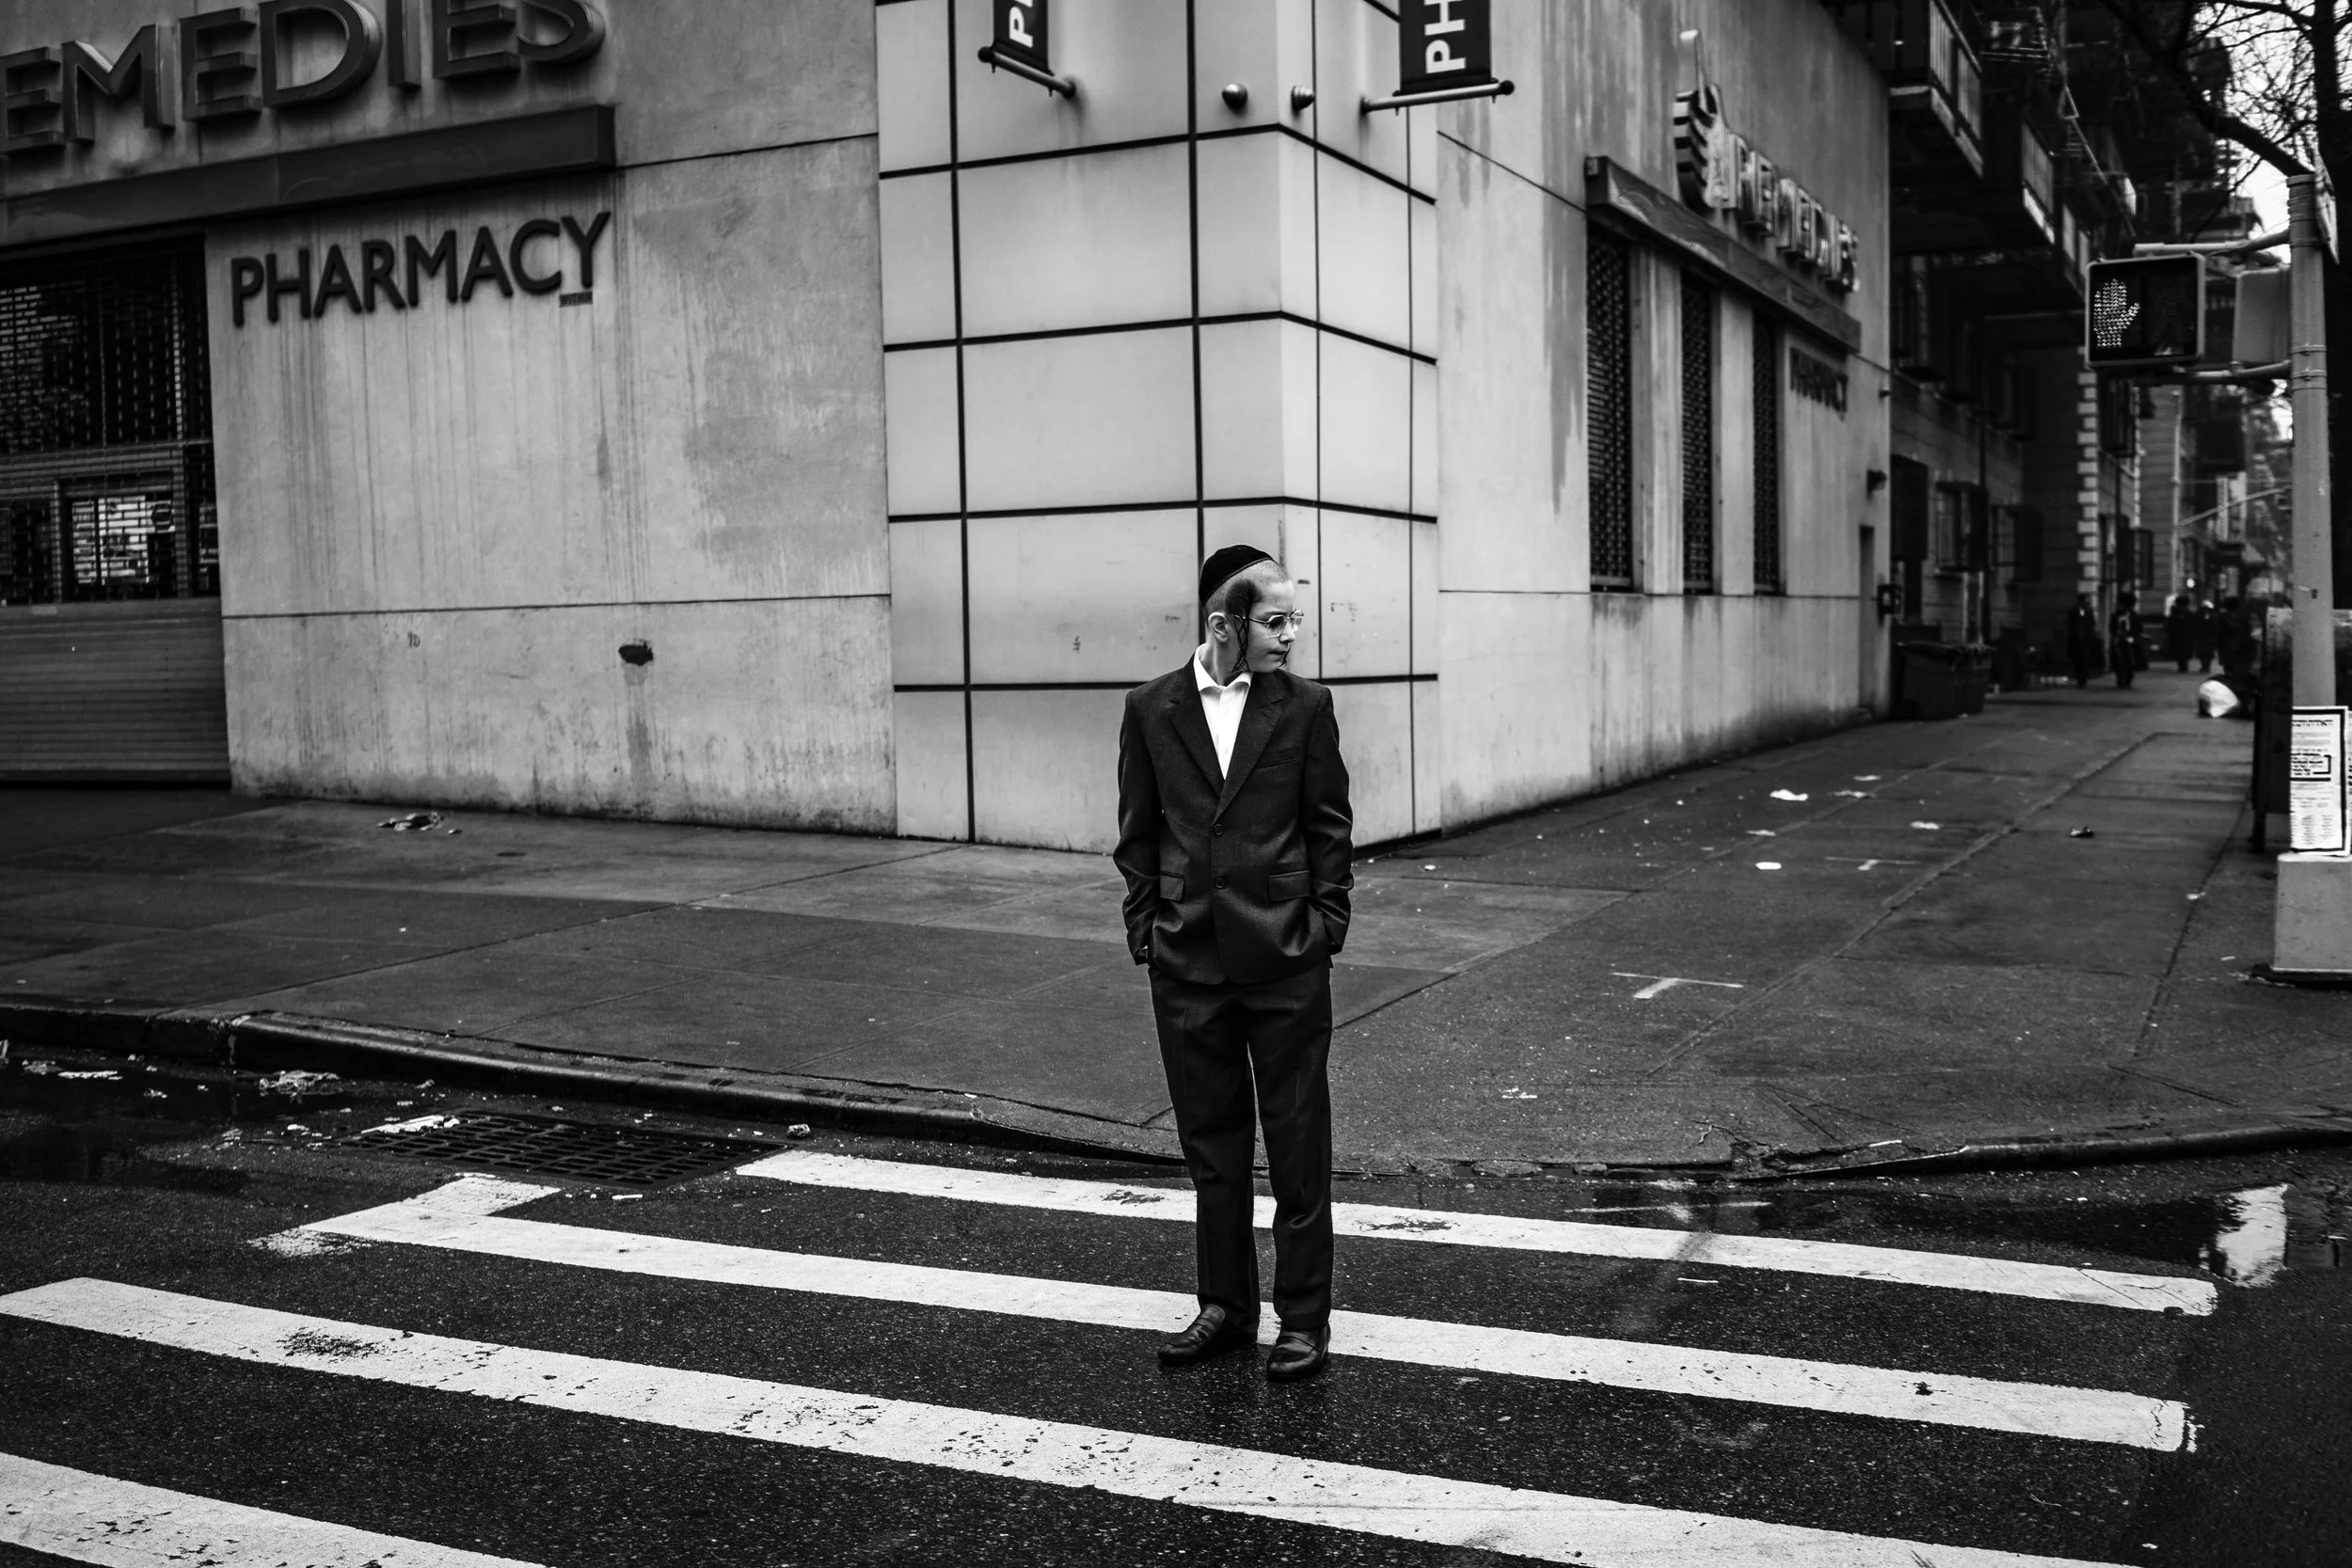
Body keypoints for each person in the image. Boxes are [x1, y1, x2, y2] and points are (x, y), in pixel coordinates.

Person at [1115, 545, 1354, 1383]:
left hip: (1286, 957)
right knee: (1212, 1151)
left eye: (1295, 619)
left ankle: (1304, 1317)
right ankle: (1225, 1306)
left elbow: (1329, 825)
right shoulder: (1151, 708)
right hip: (1187, 961)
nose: (1291, 635)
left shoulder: (1306, 706)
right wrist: (1147, 929)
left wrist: (1326, 925)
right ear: (1224, 624)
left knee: (1297, 1145)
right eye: (1276, 621)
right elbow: (1138, 833)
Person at [2066, 594, 2102, 688]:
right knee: (2077, 659)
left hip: (2086, 639)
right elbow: (2071, 623)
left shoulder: (2088, 610)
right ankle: (2080, 677)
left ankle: (2083, 678)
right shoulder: (2073, 611)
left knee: (2084, 659)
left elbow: (2092, 622)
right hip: (2076, 639)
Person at [2108, 591, 2141, 689]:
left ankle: (2126, 679)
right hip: (2119, 641)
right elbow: (2112, 628)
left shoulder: (2132, 615)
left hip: (2129, 641)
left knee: (2129, 662)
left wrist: (2131, 635)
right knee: (2119, 661)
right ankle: (2122, 679)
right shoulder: (2117, 615)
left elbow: (2138, 628)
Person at [2164, 593, 2194, 673]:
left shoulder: (2189, 615)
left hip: (2186, 637)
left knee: (2185, 652)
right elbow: (2170, 626)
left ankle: (2183, 666)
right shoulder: (2174, 615)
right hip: (2177, 637)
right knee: (2179, 652)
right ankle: (2182, 666)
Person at [2191, 598, 2220, 673]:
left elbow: (2215, 627)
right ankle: (2204, 666)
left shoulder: (2213, 617)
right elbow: (2195, 626)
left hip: (2209, 638)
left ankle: (2207, 666)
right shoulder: (2198, 616)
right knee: (2202, 653)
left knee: (2209, 653)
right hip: (2201, 638)